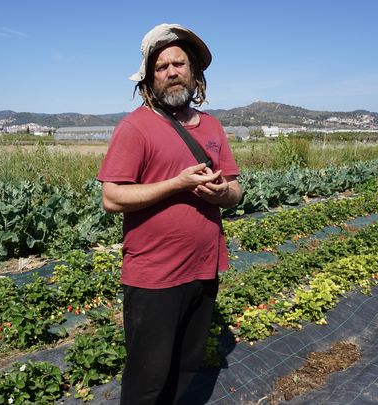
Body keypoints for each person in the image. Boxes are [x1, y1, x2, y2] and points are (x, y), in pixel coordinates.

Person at [97, 23, 243, 404]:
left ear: (195, 73)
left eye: (179, 64)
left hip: (203, 267)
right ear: (149, 78)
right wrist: (176, 184)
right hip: (154, 275)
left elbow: (236, 191)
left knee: (187, 366)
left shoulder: (212, 127)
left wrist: (221, 192)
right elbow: (112, 198)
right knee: (148, 378)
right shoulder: (136, 127)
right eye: (161, 67)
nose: (172, 72)